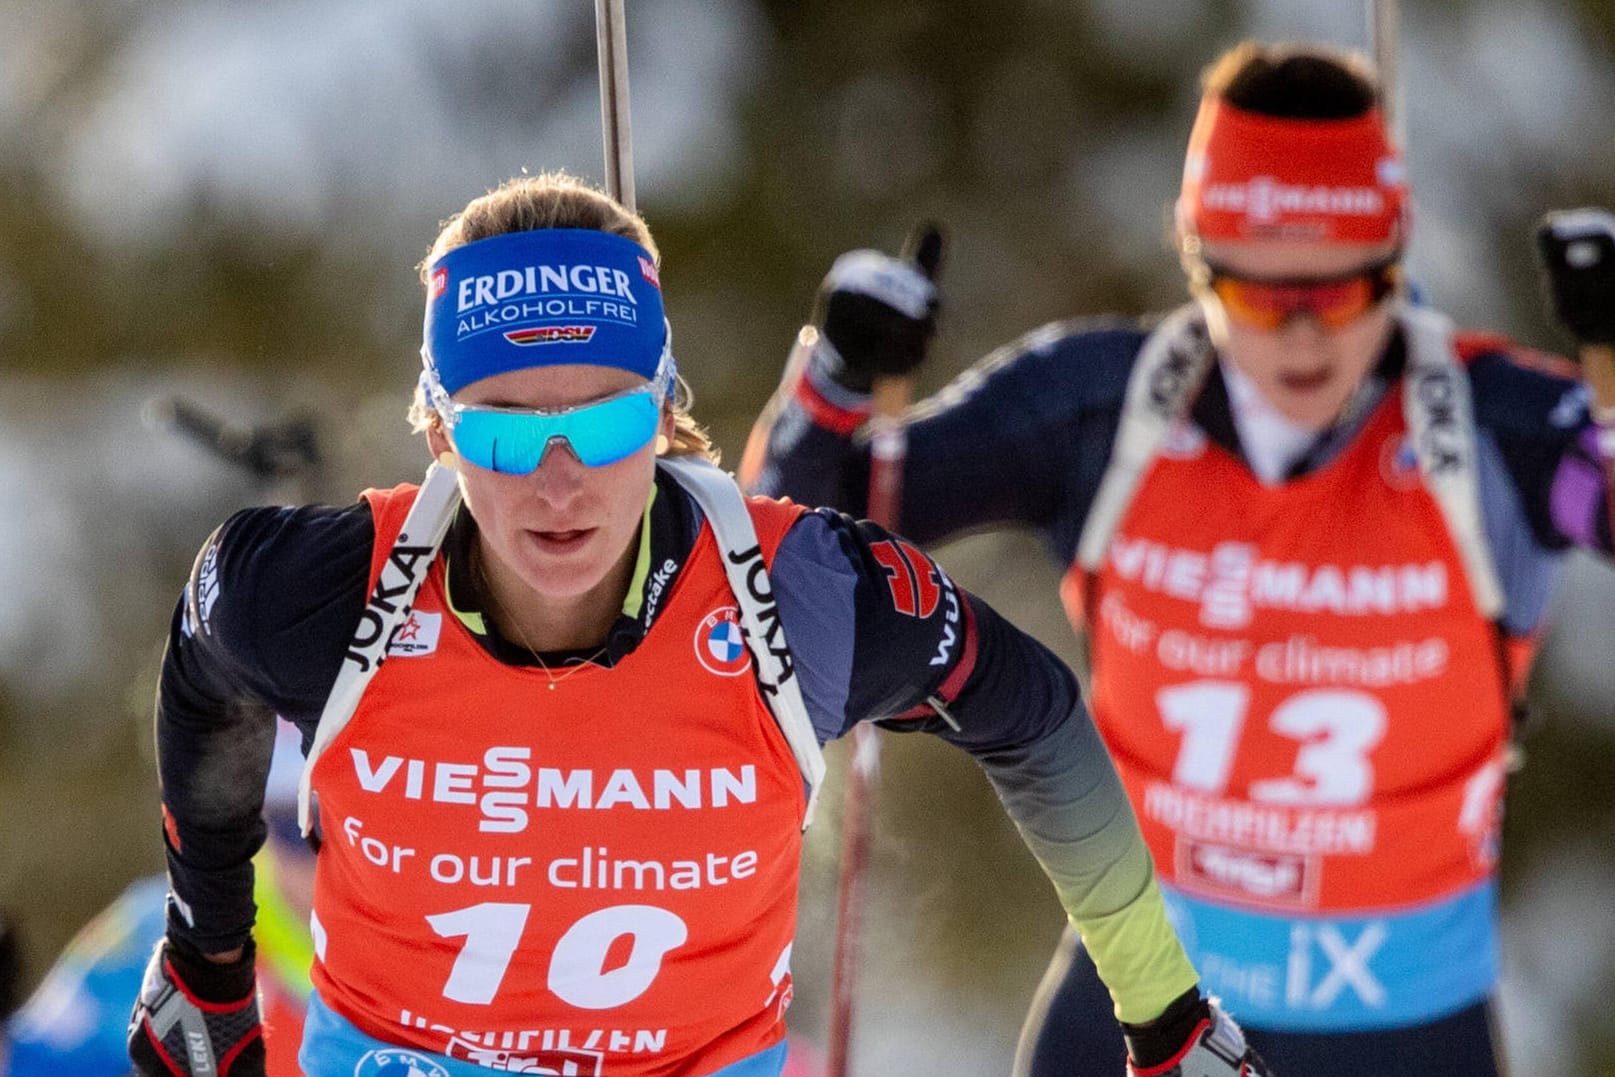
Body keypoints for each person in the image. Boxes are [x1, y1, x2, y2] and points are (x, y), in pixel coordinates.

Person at [124, 172, 1267, 1077]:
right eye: (506, 436)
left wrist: (1163, 1012)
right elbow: (204, 662)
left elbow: (1033, 718)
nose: (559, 483)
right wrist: (205, 954)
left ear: (666, 415)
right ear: (438, 435)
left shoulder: (801, 598)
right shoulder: (322, 593)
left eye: (607, 422)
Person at [743, 40, 1615, 1077]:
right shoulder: (1104, 407)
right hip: (1143, 1005)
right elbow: (811, 534)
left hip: (1404, 1027)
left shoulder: (1489, 427)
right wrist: (838, 374)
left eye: (1335, 296)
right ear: (1199, 262)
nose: (1299, 337)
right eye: (1256, 295)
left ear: (1392, 268)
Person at [3, 721, 313, 1077]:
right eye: (303, 825)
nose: (333, 855)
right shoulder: (169, 927)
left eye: (352, 824)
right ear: (257, 821)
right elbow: (33, 1059)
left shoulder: (390, 951)